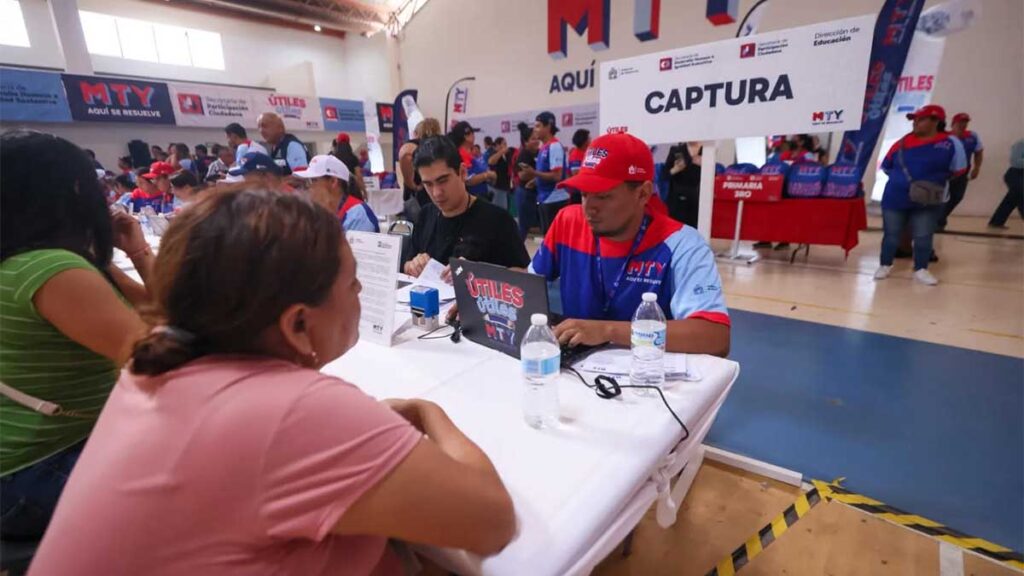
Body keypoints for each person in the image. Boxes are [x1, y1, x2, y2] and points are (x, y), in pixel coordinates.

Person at [29, 188, 516, 575]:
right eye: (351, 283)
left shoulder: (155, 366)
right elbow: (492, 521)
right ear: (297, 325)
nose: (362, 290)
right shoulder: (291, 412)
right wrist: (428, 412)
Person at [0, 131, 151, 572]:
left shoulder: (30, 261)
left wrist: (136, 249)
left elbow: (160, 307)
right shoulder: (53, 268)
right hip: (38, 473)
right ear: (72, 192)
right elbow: (162, 358)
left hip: (27, 464)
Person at [529, 132, 730, 356]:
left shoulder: (682, 244)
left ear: (643, 193)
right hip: (574, 372)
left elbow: (715, 336)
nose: (589, 208)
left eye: (603, 197)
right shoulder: (568, 221)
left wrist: (608, 331)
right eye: (585, 194)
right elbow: (528, 283)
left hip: (647, 374)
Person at [403, 136, 530, 277]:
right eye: (428, 184)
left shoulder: (498, 220)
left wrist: (481, 274)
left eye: (443, 181)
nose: (436, 193)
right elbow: (407, 264)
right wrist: (414, 266)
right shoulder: (425, 215)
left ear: (462, 173)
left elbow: (526, 276)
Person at [874, 104, 967, 286]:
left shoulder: (950, 143)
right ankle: (885, 265)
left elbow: (958, 170)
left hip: (928, 200)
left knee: (923, 235)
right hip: (895, 197)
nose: (916, 123)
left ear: (936, 121)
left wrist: (931, 183)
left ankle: (921, 269)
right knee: (891, 234)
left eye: (921, 119)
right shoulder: (901, 142)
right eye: (914, 120)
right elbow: (886, 167)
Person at [295, 154, 380, 233]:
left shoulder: (357, 215)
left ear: (333, 182)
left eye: (313, 180)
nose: (308, 187)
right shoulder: (322, 213)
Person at [519, 112, 568, 234]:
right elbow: (546, 172)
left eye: (538, 126)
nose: (535, 130)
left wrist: (534, 173)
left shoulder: (554, 146)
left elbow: (557, 176)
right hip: (545, 198)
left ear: (548, 126)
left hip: (555, 200)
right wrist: (536, 181)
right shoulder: (544, 147)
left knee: (555, 239)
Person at [939, 112, 985, 230]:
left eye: (965, 122)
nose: (963, 124)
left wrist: (977, 167)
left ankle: (940, 218)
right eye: (960, 122)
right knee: (941, 197)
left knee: (957, 196)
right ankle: (939, 221)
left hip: (962, 173)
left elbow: (978, 152)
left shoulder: (972, 136)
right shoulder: (944, 136)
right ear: (953, 123)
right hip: (944, 172)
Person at [399, 118, 443, 207]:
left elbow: (405, 155)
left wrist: (411, 184)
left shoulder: (414, 144)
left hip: (419, 196)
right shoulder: (441, 145)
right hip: (436, 194)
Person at [449, 121, 496, 199]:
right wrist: (487, 175)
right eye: (472, 133)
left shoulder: (468, 154)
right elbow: (468, 179)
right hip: (473, 198)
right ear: (466, 136)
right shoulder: (462, 154)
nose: (474, 136)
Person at [663, 142, 703, 228]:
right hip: (677, 197)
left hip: (698, 197)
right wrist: (675, 169)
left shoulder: (706, 151)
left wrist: (705, 165)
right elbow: (665, 175)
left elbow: (714, 176)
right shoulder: (677, 150)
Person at [513, 123, 541, 239]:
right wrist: (539, 176)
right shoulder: (523, 155)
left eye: (537, 138)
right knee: (523, 227)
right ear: (526, 141)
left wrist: (535, 175)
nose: (536, 141)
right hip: (525, 194)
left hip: (536, 194)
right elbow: (522, 175)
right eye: (533, 139)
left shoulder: (540, 152)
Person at [989, 138, 1024, 228]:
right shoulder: (1020, 144)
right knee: (1021, 195)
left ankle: (996, 222)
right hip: (1015, 174)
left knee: (1012, 199)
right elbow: (1015, 161)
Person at [487, 136, 514, 210]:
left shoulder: (507, 155)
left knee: (507, 208)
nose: (505, 146)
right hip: (498, 186)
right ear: (498, 145)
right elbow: (491, 161)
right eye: (503, 144)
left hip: (507, 185)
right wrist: (501, 151)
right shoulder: (494, 153)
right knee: (500, 208)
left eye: (506, 144)